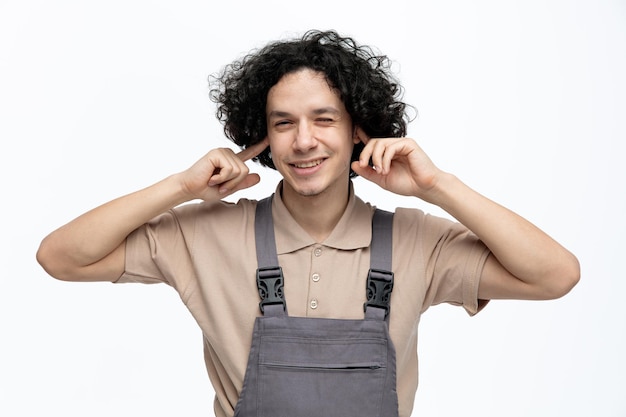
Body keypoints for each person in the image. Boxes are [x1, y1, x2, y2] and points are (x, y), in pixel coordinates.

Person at [36, 30, 580, 417]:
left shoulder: (419, 240)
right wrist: (181, 187)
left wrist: (437, 186)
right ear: (263, 139)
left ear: (358, 133)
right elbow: (59, 257)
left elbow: (555, 276)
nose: (303, 141)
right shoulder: (204, 233)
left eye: (324, 119)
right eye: (283, 124)